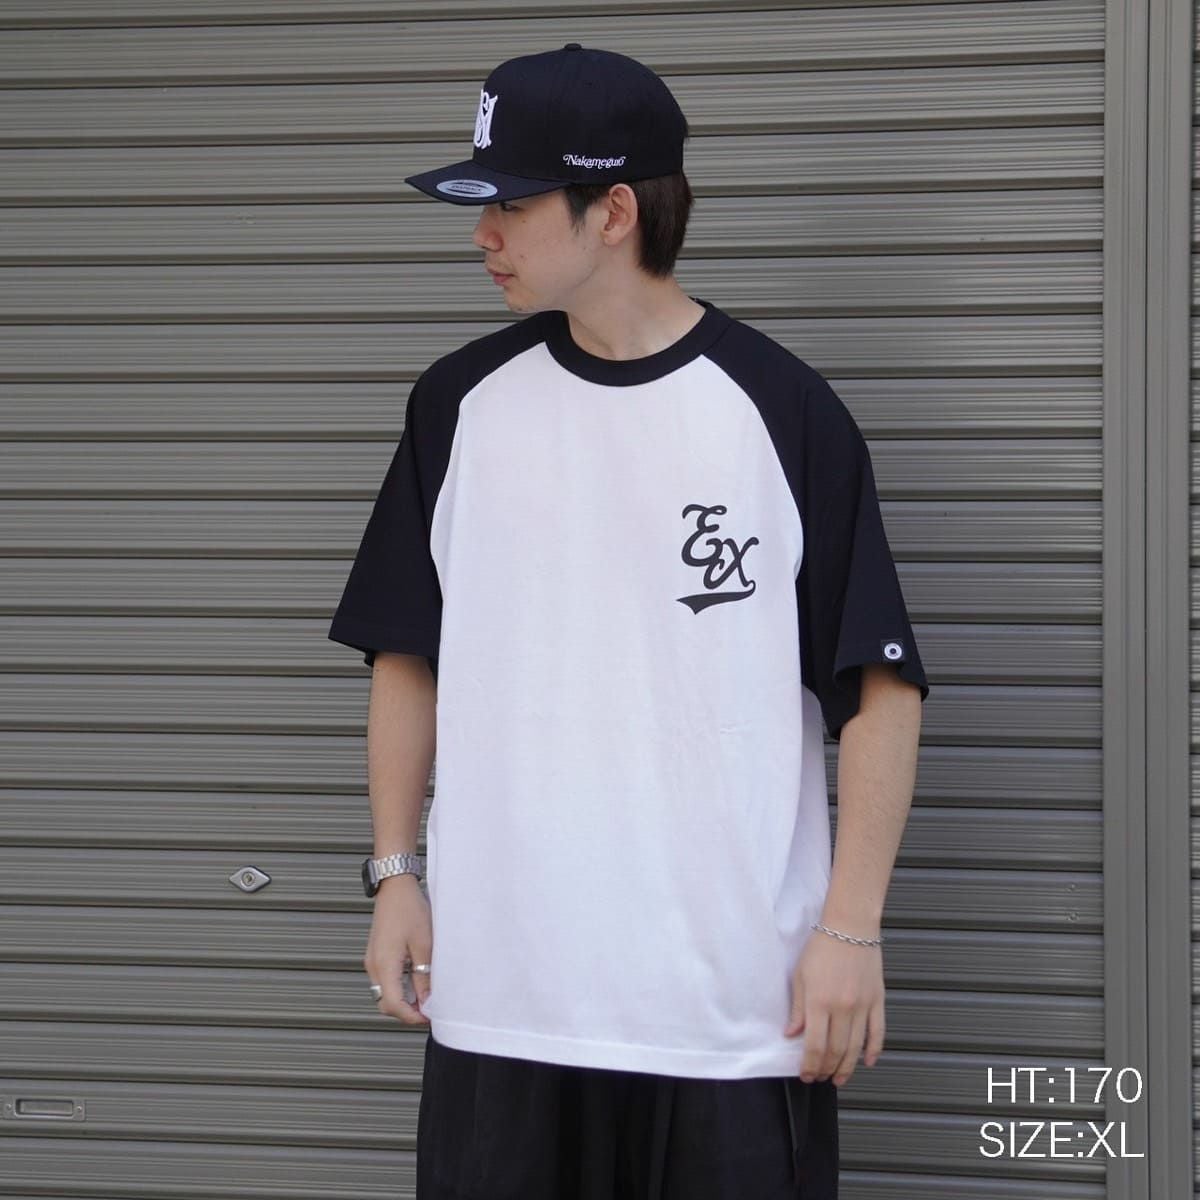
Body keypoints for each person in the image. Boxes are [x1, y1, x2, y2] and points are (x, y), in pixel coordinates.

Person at [328, 43, 929, 1200]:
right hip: (503, 1006)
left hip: (729, 1021)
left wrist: (851, 931)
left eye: (511, 205)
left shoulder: (782, 411)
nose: (482, 234)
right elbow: (407, 655)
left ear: (612, 212)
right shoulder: (458, 405)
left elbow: (880, 688)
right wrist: (396, 873)